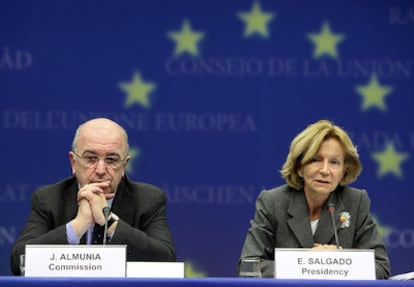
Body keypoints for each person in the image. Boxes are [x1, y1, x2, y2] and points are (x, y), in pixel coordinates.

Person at [10, 118, 176, 275]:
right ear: (73, 162)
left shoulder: (148, 200)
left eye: (111, 160)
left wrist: (108, 221)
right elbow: (19, 262)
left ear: (124, 166)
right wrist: (77, 225)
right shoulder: (49, 199)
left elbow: (166, 260)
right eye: (91, 158)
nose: (101, 170)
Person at [238, 119, 390, 279]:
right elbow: (248, 266)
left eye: (334, 162)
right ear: (299, 166)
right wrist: (309, 264)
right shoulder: (273, 202)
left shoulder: (356, 201)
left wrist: (341, 258)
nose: (325, 170)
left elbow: (381, 267)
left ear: (344, 170)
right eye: (316, 160)